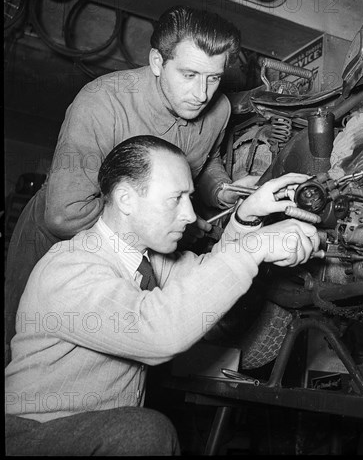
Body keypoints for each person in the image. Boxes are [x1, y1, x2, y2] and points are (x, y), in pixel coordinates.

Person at [5, 135, 319, 456]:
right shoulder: (69, 268)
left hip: (94, 435)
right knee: (143, 431)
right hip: (31, 436)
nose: (188, 214)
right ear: (126, 199)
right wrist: (257, 247)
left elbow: (204, 279)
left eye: (190, 197)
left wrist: (246, 217)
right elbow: (158, 331)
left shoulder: (147, 261)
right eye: (176, 198)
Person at [4, 5, 259, 364]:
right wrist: (170, 226)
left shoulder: (218, 111)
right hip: (58, 240)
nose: (201, 93)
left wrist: (220, 189)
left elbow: (206, 161)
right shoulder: (102, 103)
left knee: (126, 359)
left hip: (141, 242)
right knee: (22, 352)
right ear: (157, 62)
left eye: (213, 78)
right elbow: (64, 215)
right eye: (188, 74)